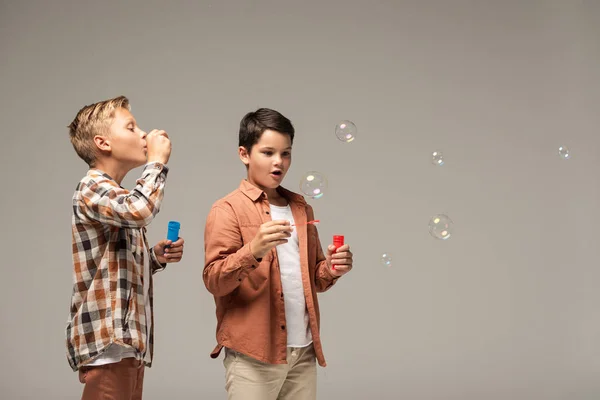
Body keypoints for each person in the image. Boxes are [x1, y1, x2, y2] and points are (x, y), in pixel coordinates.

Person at [203, 107, 354, 399]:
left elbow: (314, 278)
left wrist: (333, 269)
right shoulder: (227, 209)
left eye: (286, 153)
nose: (279, 162)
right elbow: (214, 280)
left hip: (303, 351)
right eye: (268, 152)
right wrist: (254, 250)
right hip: (253, 355)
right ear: (244, 154)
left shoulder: (300, 208)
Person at [65, 95, 185, 400]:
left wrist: (154, 257)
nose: (143, 134)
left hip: (125, 346)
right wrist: (156, 162)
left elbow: (116, 264)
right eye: (131, 127)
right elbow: (141, 209)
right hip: (108, 345)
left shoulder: (116, 196)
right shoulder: (91, 187)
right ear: (103, 143)